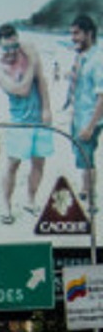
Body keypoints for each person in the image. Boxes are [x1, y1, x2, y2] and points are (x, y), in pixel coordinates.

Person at [0, 23, 52, 222]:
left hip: (39, 119)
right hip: (19, 122)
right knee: (13, 164)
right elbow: (23, 89)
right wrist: (33, 62)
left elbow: (41, 80)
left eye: (15, 45)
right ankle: (6, 206)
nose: (12, 51)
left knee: (39, 162)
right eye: (7, 47)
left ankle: (30, 201)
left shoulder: (28, 50)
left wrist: (46, 108)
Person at [68, 15, 103, 209]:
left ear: (89, 33)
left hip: (89, 117)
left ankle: (92, 202)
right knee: (81, 156)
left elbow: (102, 96)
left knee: (87, 159)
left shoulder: (98, 60)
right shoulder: (82, 54)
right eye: (71, 33)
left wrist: (90, 126)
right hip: (79, 114)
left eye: (76, 33)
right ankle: (85, 188)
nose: (73, 37)